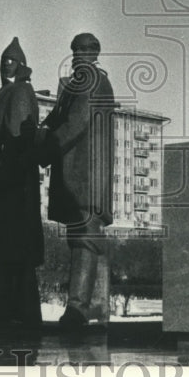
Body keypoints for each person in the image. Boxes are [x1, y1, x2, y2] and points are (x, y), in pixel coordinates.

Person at [39, 32, 117, 329]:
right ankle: (92, 305)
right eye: (74, 49)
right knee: (85, 235)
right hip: (80, 173)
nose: (77, 54)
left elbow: (75, 123)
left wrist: (44, 148)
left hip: (86, 174)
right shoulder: (80, 82)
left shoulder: (90, 81)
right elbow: (61, 118)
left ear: (95, 53)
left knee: (84, 235)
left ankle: (78, 307)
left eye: (84, 50)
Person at [0, 37, 45, 325]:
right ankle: (20, 311)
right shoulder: (9, 92)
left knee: (10, 247)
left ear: (22, 65)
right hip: (10, 180)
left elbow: (15, 139)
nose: (6, 65)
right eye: (3, 61)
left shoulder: (18, 93)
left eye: (11, 61)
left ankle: (0, 306)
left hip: (13, 184)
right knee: (12, 249)